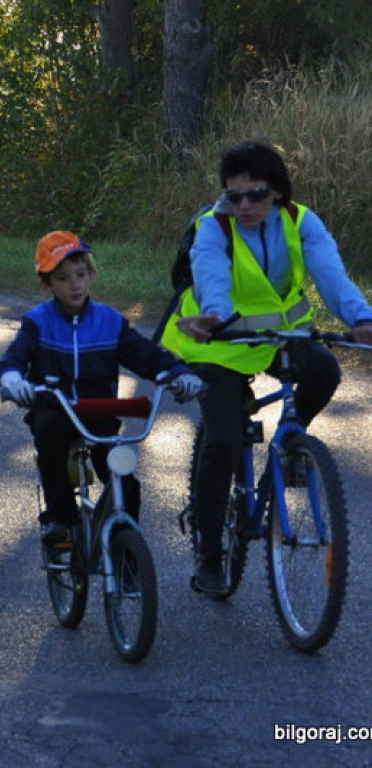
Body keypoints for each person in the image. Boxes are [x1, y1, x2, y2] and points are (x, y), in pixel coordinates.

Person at [161, 141, 372, 596]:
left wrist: (361, 319)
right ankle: (209, 554)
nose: (244, 206)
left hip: (278, 337)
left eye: (255, 194)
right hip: (217, 343)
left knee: (325, 371)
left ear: (277, 190)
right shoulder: (213, 225)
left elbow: (331, 276)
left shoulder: (300, 221)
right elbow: (212, 276)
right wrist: (215, 317)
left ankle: (290, 447)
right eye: (234, 196)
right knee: (221, 438)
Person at [0, 231, 203, 545]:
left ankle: (122, 551)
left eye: (80, 274)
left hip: (100, 414)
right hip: (56, 410)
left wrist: (179, 374)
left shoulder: (109, 321)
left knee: (125, 483)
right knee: (50, 440)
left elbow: (147, 356)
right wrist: (13, 379)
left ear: (92, 274)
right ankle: (61, 521)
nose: (74, 284)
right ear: (47, 284)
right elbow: (13, 358)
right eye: (63, 278)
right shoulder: (38, 322)